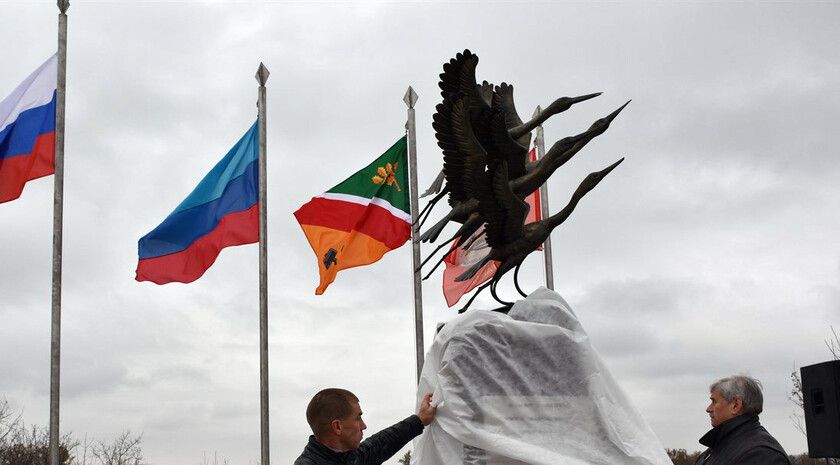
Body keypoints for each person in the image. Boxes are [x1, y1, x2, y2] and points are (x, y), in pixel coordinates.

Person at [294, 388, 437, 465]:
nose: (364, 426)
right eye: (358, 418)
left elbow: (382, 442)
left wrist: (419, 419)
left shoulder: (351, 457)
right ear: (337, 427)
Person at [694, 375, 791, 465]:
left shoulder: (761, 454)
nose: (708, 409)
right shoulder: (718, 448)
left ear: (735, 405)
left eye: (714, 402)